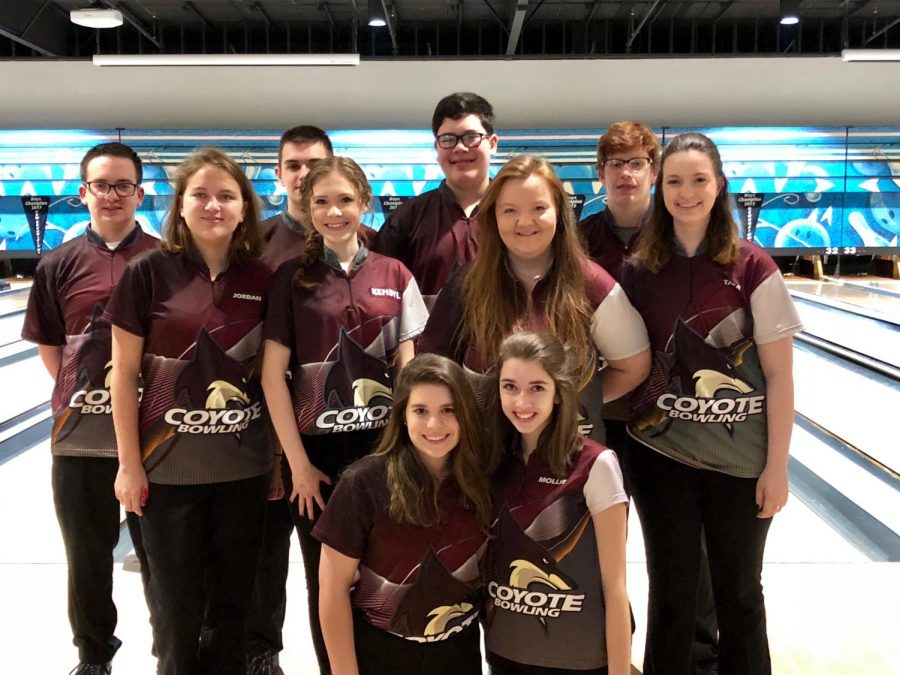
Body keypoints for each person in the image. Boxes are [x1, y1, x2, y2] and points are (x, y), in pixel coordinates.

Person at [620, 132, 802, 675]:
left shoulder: (753, 267)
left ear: (719, 185)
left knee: (740, 592)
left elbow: (780, 373)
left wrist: (777, 467)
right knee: (671, 593)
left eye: (698, 179)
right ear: (660, 188)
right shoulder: (639, 269)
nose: (686, 192)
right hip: (661, 458)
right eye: (674, 181)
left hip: (741, 463)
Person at [106, 148, 272, 675]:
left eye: (227, 196)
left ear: (244, 208)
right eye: (200, 194)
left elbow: (272, 378)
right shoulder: (146, 273)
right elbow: (125, 376)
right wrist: (129, 464)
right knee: (175, 613)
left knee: (231, 610)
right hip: (167, 473)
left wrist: (277, 462)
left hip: (243, 472)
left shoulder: (263, 277)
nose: (213, 206)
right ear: (181, 206)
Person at [261, 156, 429, 674]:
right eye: (321, 202)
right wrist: (299, 467)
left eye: (345, 200)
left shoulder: (395, 273)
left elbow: (409, 371)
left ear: (364, 201)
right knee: (325, 580)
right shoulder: (292, 278)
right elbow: (273, 377)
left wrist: (407, 452)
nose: (334, 212)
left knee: (386, 571)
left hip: (382, 451)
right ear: (308, 209)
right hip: (317, 458)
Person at [581, 122, 720, 674]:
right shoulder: (578, 237)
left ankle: (694, 658)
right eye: (615, 164)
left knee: (683, 552)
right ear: (601, 173)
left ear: (653, 171)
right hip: (600, 416)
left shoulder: (678, 235)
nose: (626, 173)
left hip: (666, 422)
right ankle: (615, 651)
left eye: (637, 162)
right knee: (594, 553)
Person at [21, 141, 158, 675]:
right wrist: (88, 400)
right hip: (79, 442)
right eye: (101, 185)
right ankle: (94, 656)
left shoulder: (164, 258)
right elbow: (51, 347)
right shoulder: (57, 264)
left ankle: (168, 650)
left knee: (160, 559)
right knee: (87, 559)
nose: (112, 195)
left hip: (155, 440)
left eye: (123, 185)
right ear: (83, 193)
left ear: (139, 193)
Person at [419, 154, 650, 443]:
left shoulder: (591, 282)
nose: (524, 221)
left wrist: (572, 402)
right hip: (486, 452)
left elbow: (633, 365)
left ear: (559, 212)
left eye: (539, 207)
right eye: (510, 210)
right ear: (493, 216)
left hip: (567, 453)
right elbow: (432, 364)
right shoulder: (467, 283)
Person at [313, 353, 491, 675]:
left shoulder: (483, 480)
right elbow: (331, 589)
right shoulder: (363, 482)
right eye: (420, 411)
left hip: (459, 652)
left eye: (448, 410)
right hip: (381, 653)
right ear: (402, 416)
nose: (434, 425)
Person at [483, 331, 630, 675]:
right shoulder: (491, 463)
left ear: (559, 392)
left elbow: (616, 586)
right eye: (510, 387)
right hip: (506, 651)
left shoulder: (596, 464)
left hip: (579, 657)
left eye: (537, 387)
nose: (522, 402)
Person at [249, 124, 333, 675]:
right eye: (294, 165)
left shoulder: (359, 241)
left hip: (327, 437)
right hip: (257, 432)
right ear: (279, 175)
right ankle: (262, 657)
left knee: (327, 566)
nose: (303, 175)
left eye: (314, 165)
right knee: (261, 561)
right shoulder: (250, 241)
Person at [372, 91, 498, 309]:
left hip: (510, 342)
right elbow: (382, 299)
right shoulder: (407, 219)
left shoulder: (517, 211)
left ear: (493, 143)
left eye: (471, 137)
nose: (460, 148)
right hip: (428, 343)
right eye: (448, 139)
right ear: (436, 148)